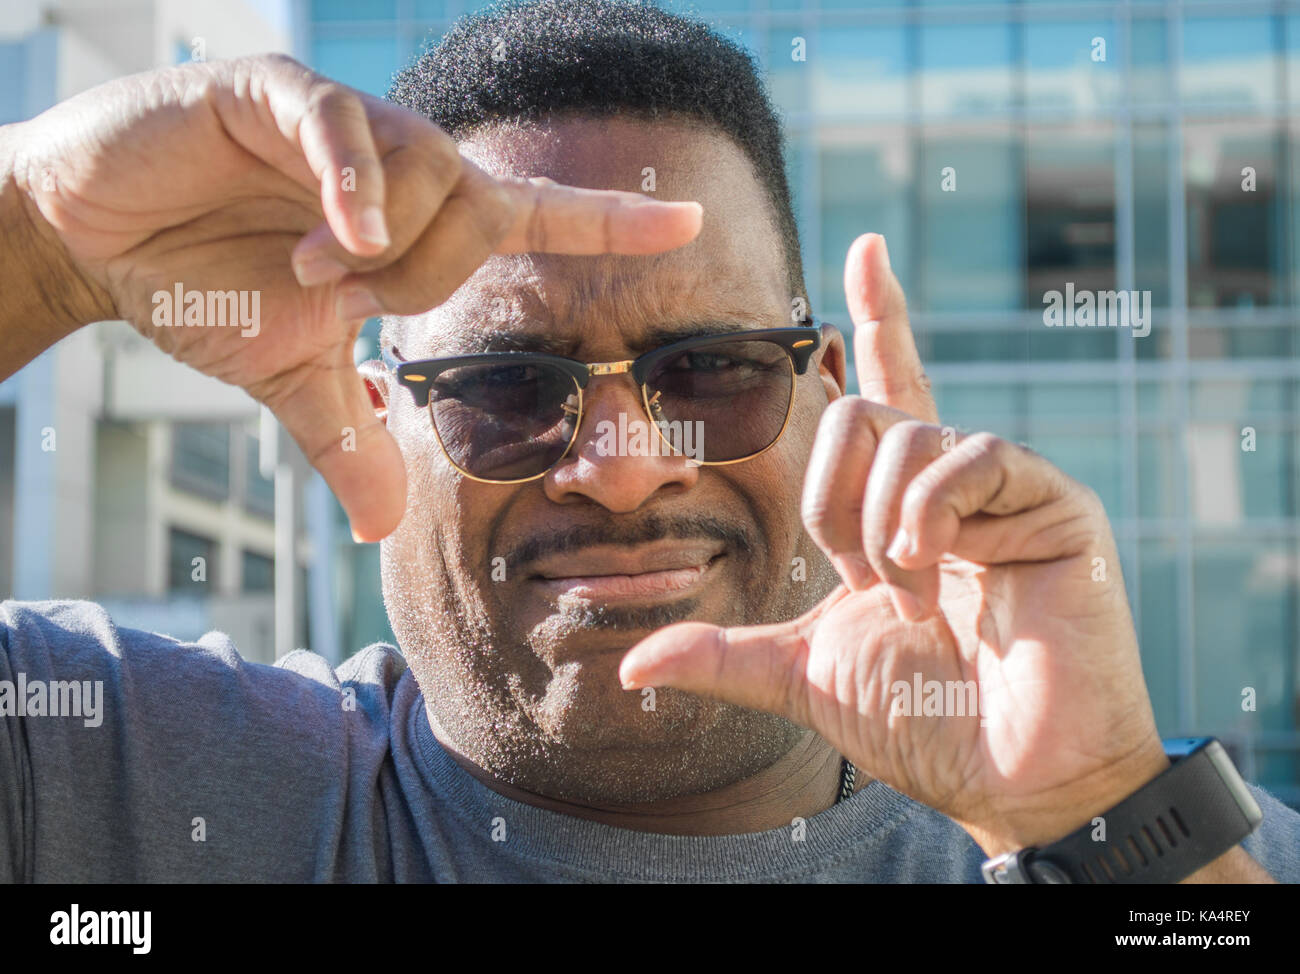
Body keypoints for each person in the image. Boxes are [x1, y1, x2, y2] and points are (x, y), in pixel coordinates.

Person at [1, 0, 1296, 883]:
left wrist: (1108, 824)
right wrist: (41, 243)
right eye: (509, 384)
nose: (622, 465)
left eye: (713, 370)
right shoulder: (121, 786)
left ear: (833, 402)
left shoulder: (1166, 839)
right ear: (378, 415)